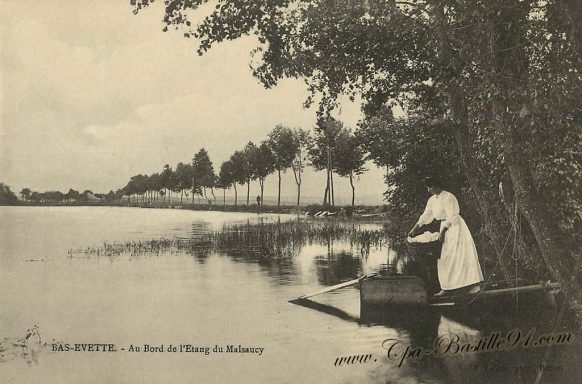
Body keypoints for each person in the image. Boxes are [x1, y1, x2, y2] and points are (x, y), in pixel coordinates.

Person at [408, 177, 484, 296]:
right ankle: (446, 287)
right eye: (427, 187)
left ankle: (473, 286)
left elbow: (453, 215)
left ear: (438, 185)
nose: (428, 189)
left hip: (455, 227)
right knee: (444, 258)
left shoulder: (449, 197)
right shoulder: (432, 200)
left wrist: (443, 232)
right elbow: (426, 215)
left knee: (461, 256)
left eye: (430, 186)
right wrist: (415, 228)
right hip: (444, 226)